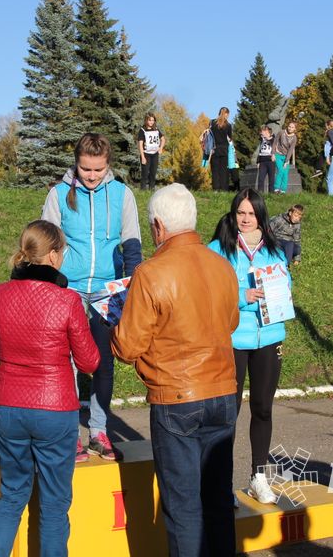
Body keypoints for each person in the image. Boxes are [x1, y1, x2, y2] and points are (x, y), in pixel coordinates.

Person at [111, 183, 239, 556]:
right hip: (222, 392)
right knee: (217, 502)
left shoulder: (151, 273)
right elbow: (229, 323)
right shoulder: (222, 266)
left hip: (176, 397)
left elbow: (128, 345)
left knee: (183, 509)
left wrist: (114, 324)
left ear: (157, 227)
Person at [0, 220, 100, 556]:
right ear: (52, 256)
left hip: (9, 405)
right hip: (55, 407)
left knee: (11, 496)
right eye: (61, 252)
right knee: (55, 503)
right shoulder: (68, 301)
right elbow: (89, 362)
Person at [41, 133, 142, 462]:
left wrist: (130, 284)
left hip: (107, 290)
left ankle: (99, 430)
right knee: (66, 363)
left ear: (108, 165)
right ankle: (70, 433)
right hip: (68, 287)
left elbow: (131, 242)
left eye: (98, 170)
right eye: (86, 169)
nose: (92, 175)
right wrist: (51, 284)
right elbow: (46, 242)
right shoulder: (58, 194)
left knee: (102, 361)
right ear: (77, 163)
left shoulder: (122, 194)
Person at [209, 189, 289, 505]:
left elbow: (285, 287)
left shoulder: (275, 252)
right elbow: (210, 291)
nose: (245, 218)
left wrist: (280, 295)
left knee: (263, 408)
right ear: (233, 214)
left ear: (260, 216)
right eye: (240, 212)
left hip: (269, 338)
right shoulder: (217, 249)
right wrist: (244, 295)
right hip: (232, 339)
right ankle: (221, 483)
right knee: (229, 413)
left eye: (251, 213)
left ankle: (259, 477)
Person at [137, 113, 166, 191]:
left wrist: (160, 148)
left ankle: (151, 190)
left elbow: (163, 139)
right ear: (146, 120)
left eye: (153, 120)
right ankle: (142, 191)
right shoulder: (142, 130)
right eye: (150, 120)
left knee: (153, 174)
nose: (151, 122)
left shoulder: (156, 129)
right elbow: (140, 144)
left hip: (155, 155)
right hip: (146, 154)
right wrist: (142, 157)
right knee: (145, 174)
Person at [210, 107, 233, 192]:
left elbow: (209, 135)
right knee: (224, 171)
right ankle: (224, 189)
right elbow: (230, 138)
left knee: (215, 170)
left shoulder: (212, 123)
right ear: (226, 114)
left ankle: (215, 189)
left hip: (214, 149)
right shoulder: (228, 125)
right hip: (224, 150)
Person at [273, 122, 298, 194]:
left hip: (286, 156)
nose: (290, 128)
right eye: (289, 126)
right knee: (280, 170)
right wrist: (273, 153)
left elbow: (291, 150)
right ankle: (276, 189)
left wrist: (286, 161)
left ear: (295, 129)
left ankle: (283, 190)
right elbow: (275, 142)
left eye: (292, 127)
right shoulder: (281, 132)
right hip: (278, 154)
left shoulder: (294, 138)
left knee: (285, 173)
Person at [255, 125, 277, 194]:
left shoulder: (273, 139)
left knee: (271, 179)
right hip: (262, 161)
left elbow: (273, 143)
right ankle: (260, 193)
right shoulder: (261, 140)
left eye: (263, 131)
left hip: (270, 160)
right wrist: (258, 161)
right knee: (261, 179)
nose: (262, 133)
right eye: (261, 132)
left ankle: (271, 193)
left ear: (267, 131)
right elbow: (260, 151)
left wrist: (268, 137)